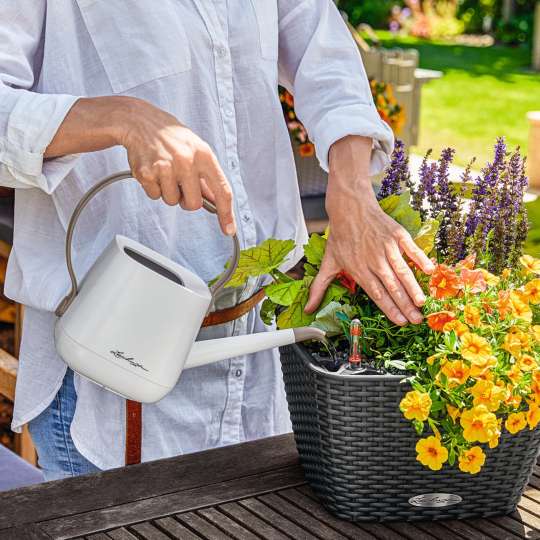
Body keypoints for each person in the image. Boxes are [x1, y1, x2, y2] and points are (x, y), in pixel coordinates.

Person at [0, 1, 433, 480]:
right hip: (111, 372)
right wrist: (125, 118)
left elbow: (323, 54)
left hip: (257, 357)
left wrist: (351, 191)